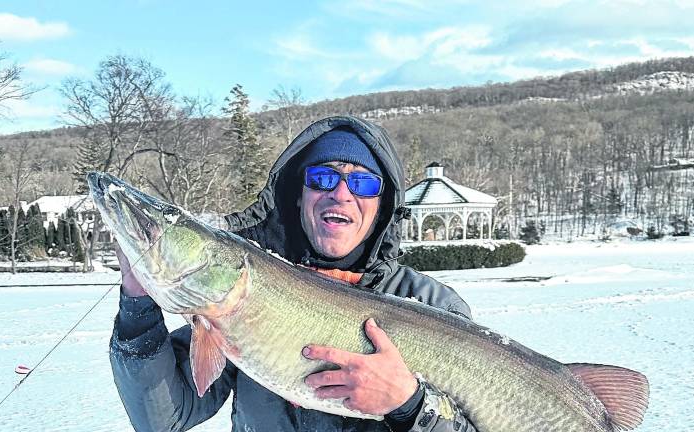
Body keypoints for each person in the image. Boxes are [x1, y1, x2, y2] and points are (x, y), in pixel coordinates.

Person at [111, 115, 478, 431]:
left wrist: (410, 404)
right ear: (299, 194)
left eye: (363, 183)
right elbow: (162, 417)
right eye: (322, 178)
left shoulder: (433, 305)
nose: (341, 194)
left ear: (382, 207)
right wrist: (137, 305)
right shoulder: (241, 297)